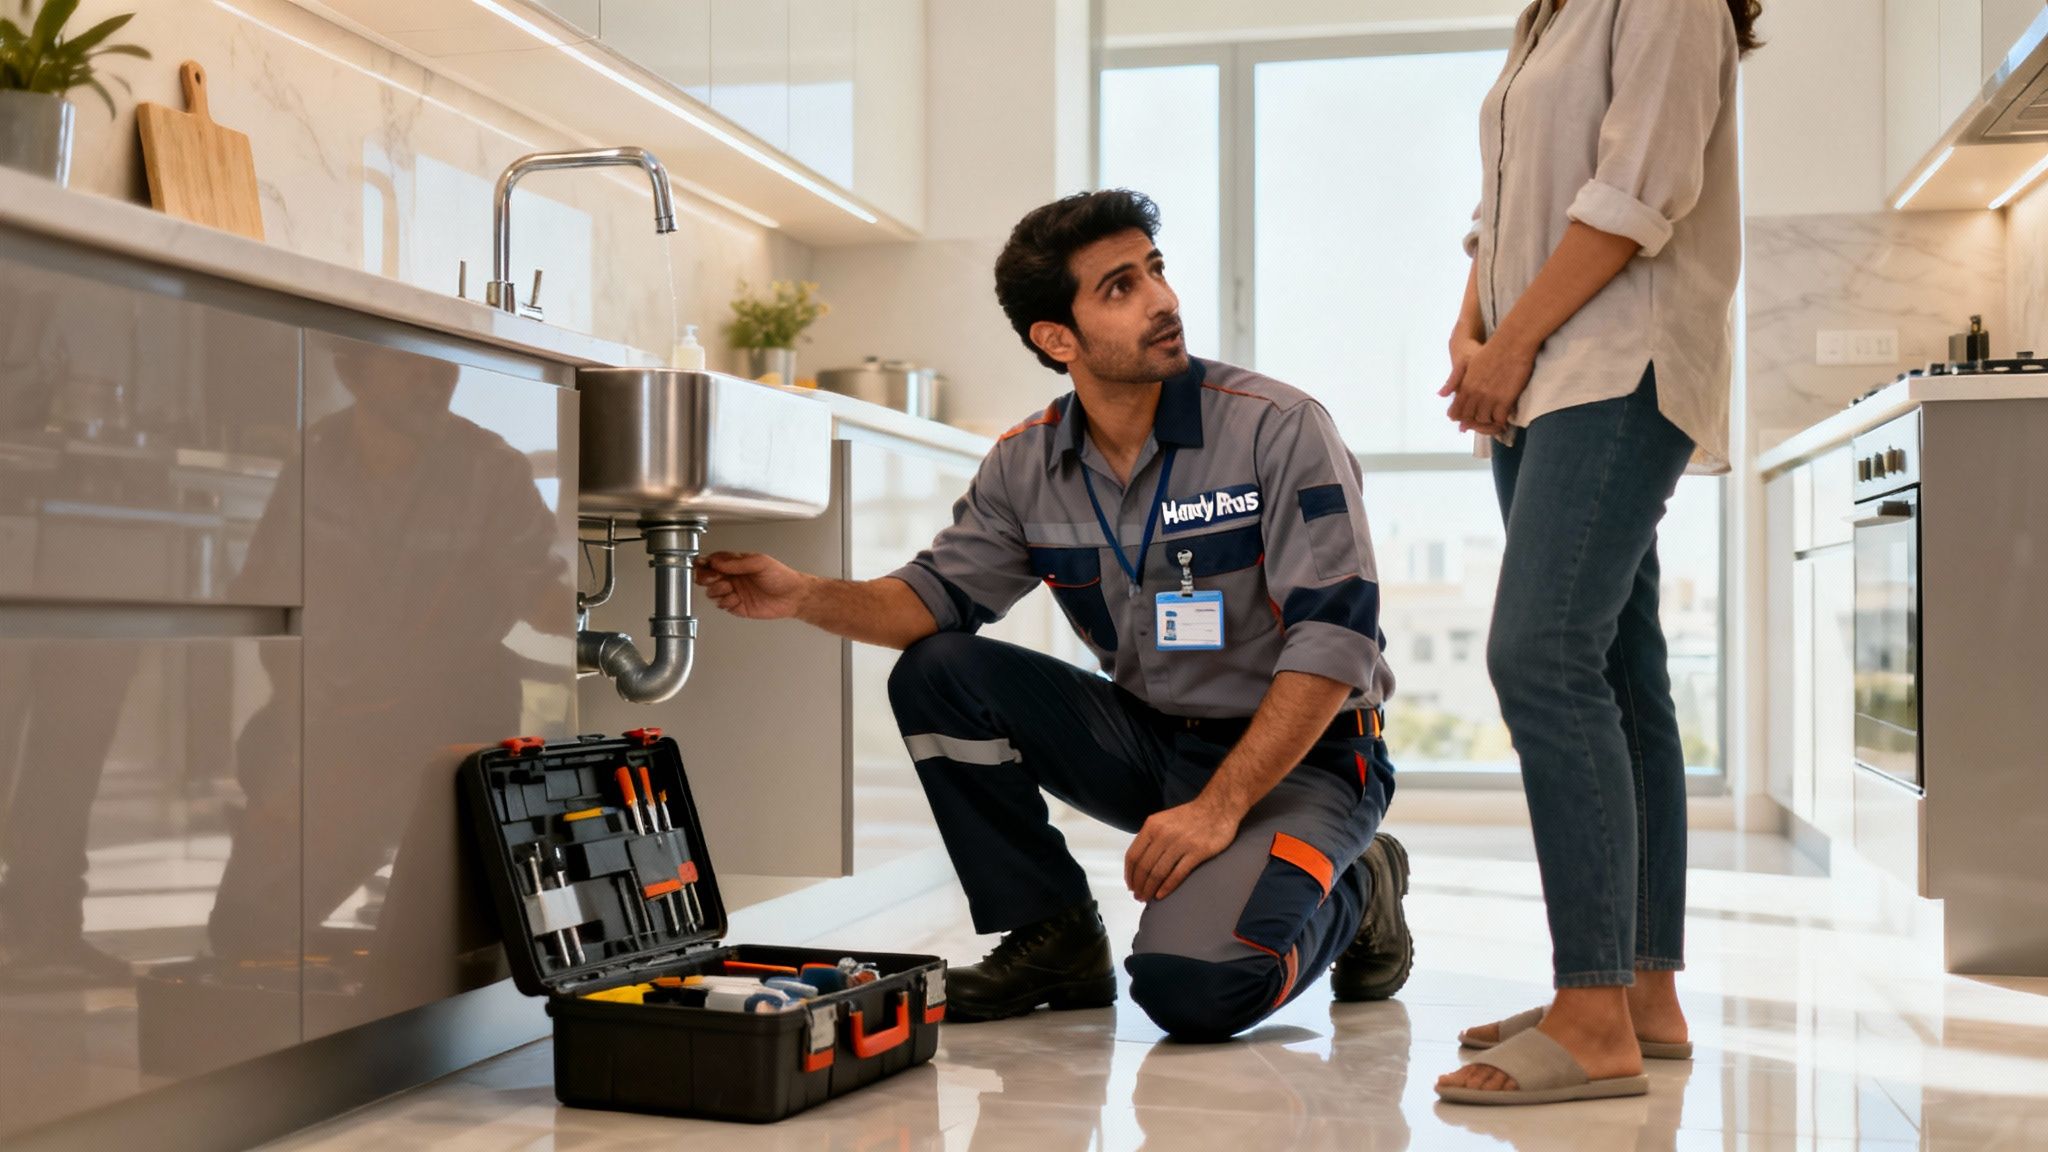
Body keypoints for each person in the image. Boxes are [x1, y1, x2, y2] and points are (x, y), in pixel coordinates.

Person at [696, 189, 1410, 1039]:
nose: (1163, 301)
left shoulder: (1278, 427)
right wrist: (805, 594)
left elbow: (1337, 641)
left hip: (1308, 760)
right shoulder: (1026, 464)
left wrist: (1220, 808)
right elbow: (927, 603)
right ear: (1055, 339)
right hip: (1156, 742)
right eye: (1120, 287)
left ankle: (1364, 883)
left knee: (1194, 992)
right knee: (939, 671)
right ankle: (1055, 933)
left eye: (1156, 271)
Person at [1433, 0, 1759, 1106]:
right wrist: (1467, 328)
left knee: (1539, 656)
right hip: (1539, 376)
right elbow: (1504, 205)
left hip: (1613, 363)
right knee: (1619, 673)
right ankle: (1635, 992)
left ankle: (1589, 1018)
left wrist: (1507, 339)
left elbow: (1634, 196)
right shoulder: (1551, 13)